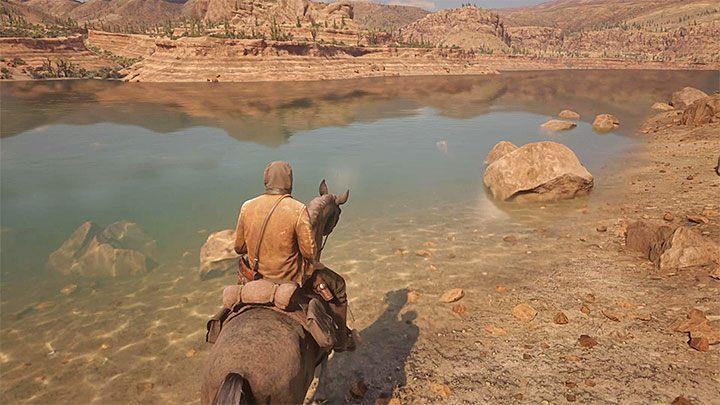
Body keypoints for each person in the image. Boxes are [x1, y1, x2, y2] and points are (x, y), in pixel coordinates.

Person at [233, 161, 355, 351]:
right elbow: (309, 252)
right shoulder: (297, 209)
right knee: (338, 285)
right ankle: (340, 341)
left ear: (266, 180)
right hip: (289, 278)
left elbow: (239, 247)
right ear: (290, 182)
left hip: (255, 276)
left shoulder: (247, 206)